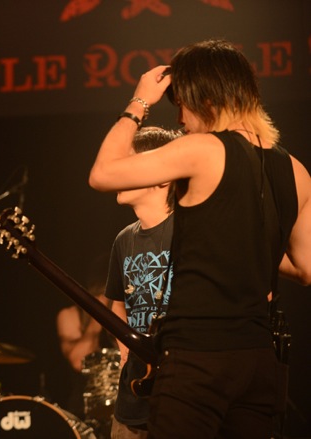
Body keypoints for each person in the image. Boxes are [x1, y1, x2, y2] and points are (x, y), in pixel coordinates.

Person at [88, 38, 311, 438]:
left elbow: (103, 173)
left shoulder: (203, 149)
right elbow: (306, 268)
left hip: (198, 357)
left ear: (206, 99)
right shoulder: (296, 170)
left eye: (182, 106)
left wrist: (139, 102)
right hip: (258, 362)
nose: (180, 119)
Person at [104, 127, 180, 439]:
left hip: (180, 394)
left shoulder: (190, 231)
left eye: (130, 163)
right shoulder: (124, 239)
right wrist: (126, 346)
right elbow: (117, 303)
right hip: (132, 400)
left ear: (162, 178)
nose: (119, 173)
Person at [56, 257, 116, 422]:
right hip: (86, 412)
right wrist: (98, 313)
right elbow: (78, 362)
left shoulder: (129, 311)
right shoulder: (70, 315)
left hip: (129, 405)